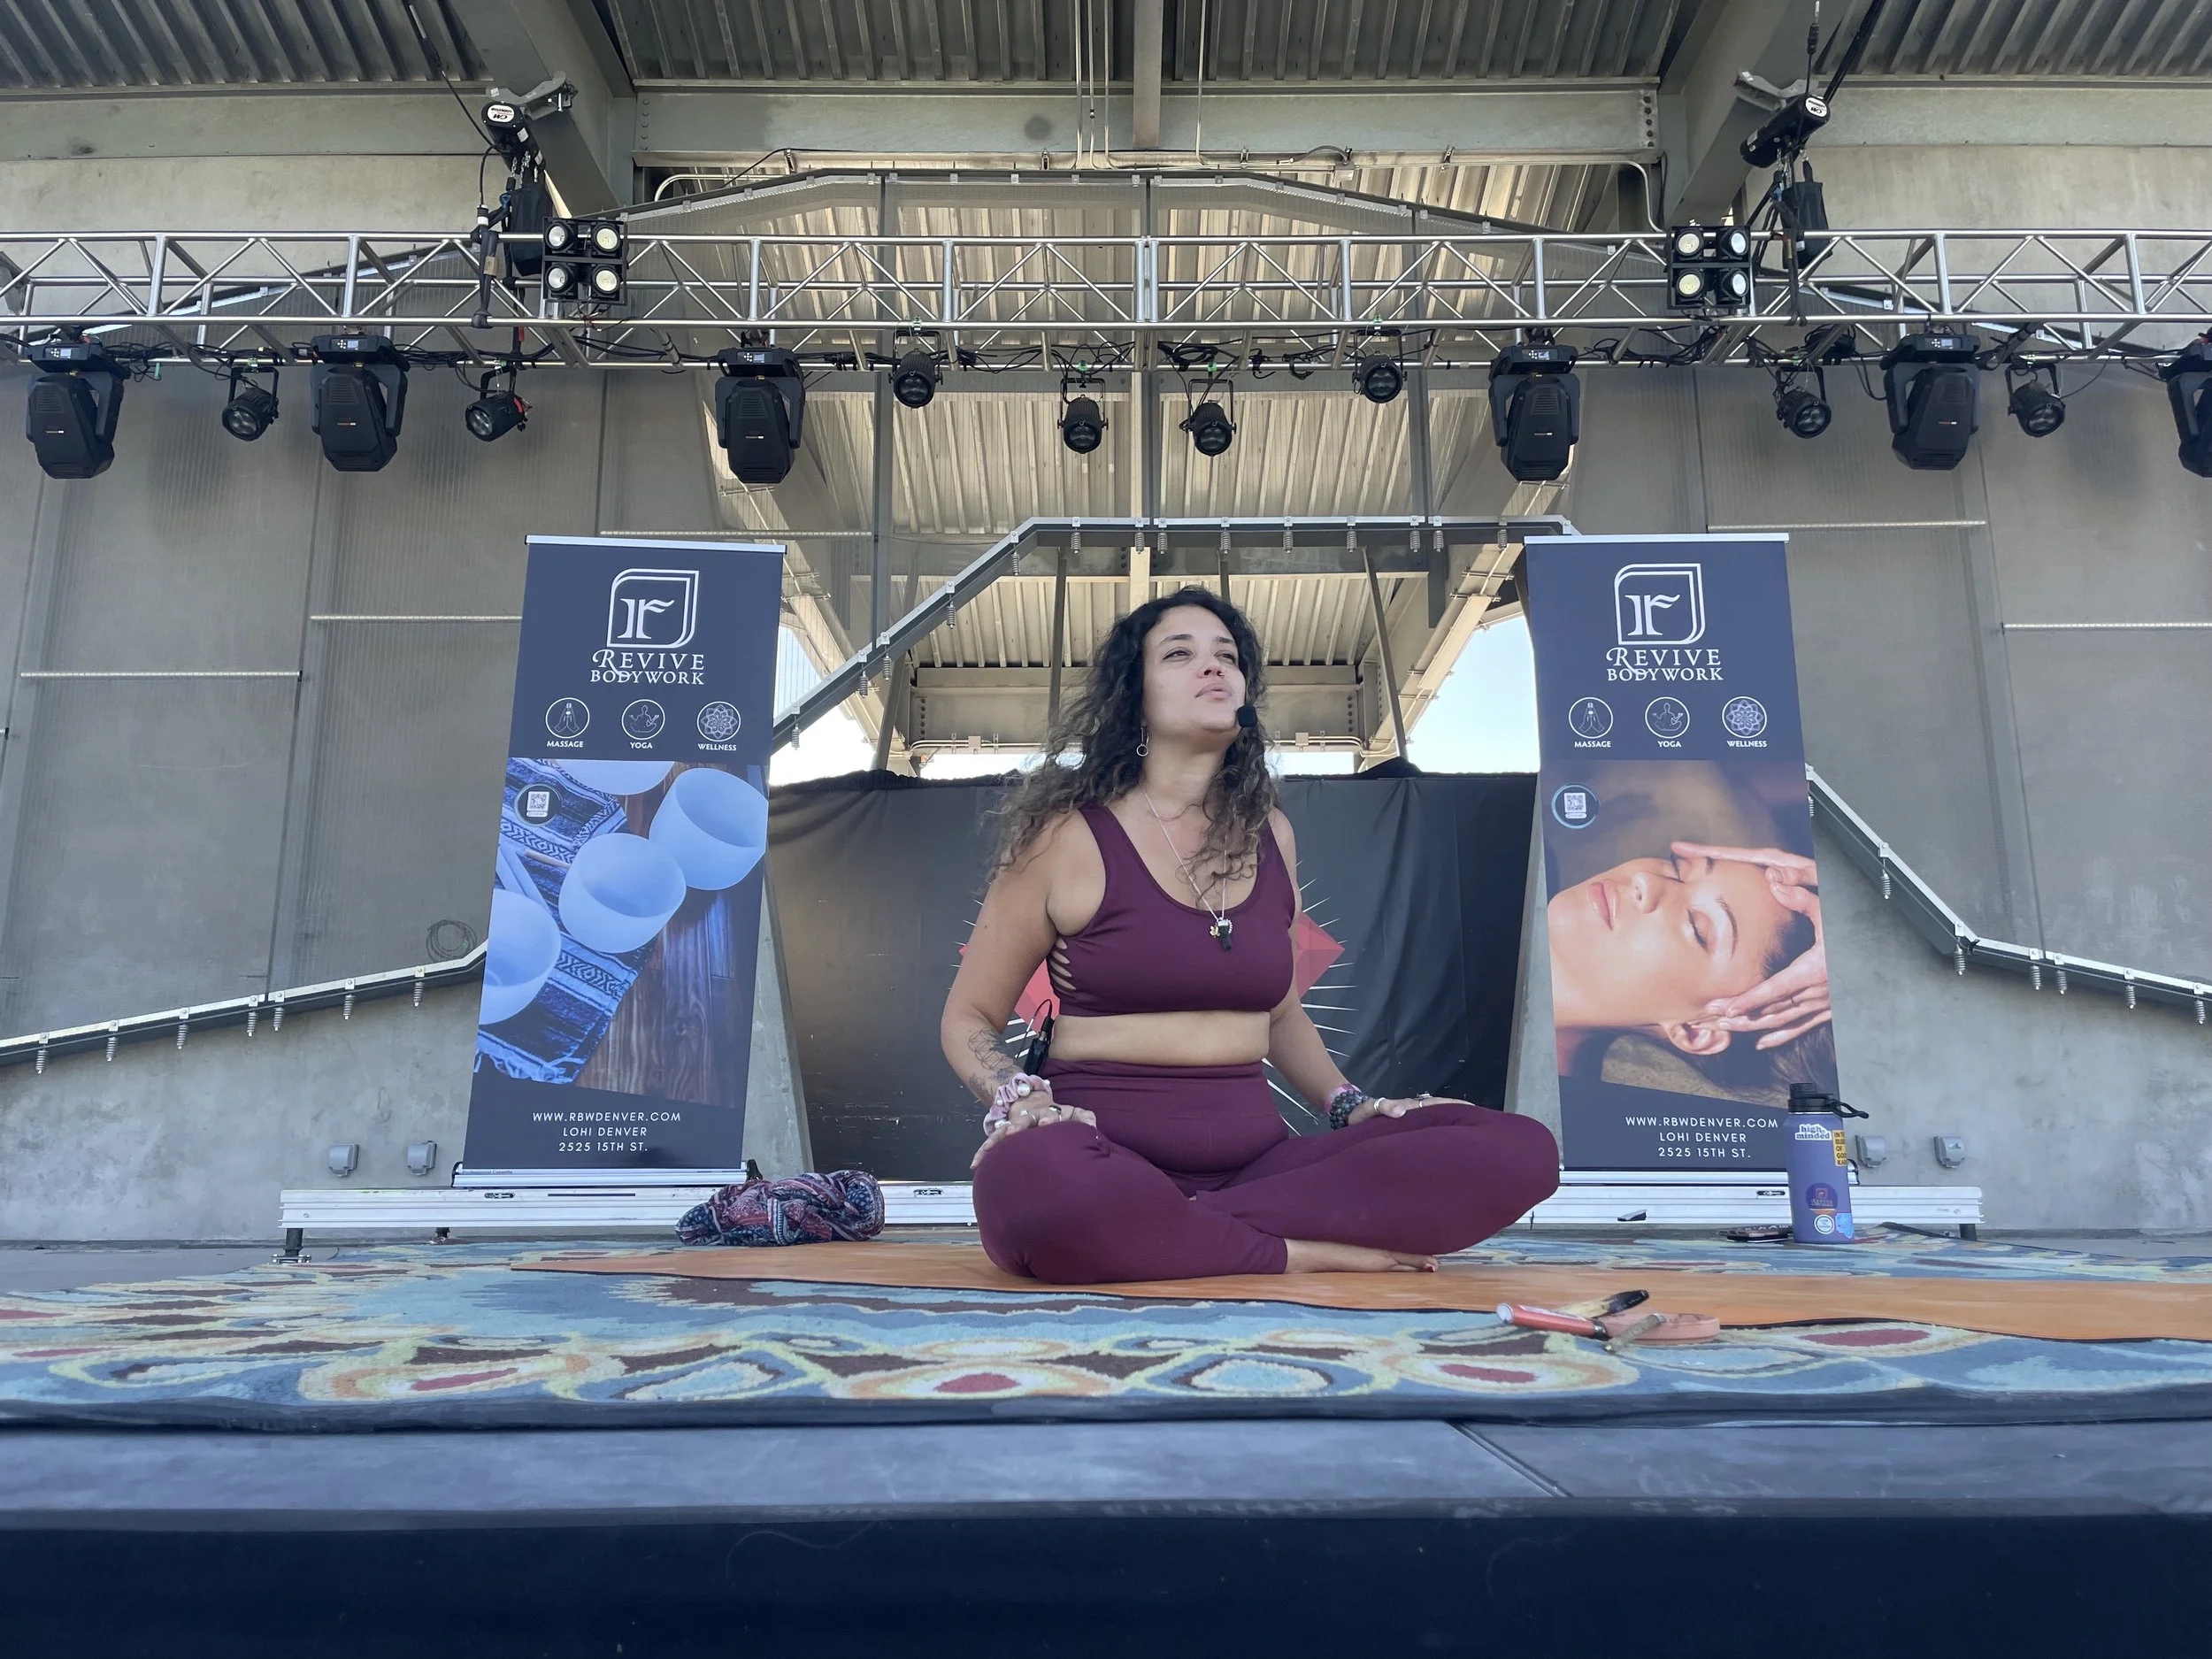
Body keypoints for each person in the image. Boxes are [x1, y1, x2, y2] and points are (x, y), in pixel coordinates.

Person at [940, 587, 1560, 1286]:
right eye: (1180, 654)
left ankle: (1179, 1226)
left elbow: (1279, 1006)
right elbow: (969, 1017)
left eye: (1226, 656)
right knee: (1036, 1180)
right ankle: (1289, 1248)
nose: (1212, 668)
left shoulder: (1273, 835)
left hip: (1260, 1163)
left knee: (1519, 1150)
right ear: (1133, 695)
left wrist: (1351, 1106)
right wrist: (1017, 1097)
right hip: (1099, 1153)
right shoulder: (1065, 835)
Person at [1548, 845, 1834, 1097]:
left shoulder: (1542, 1126)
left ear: (1697, 1031)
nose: (1645, 881)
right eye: (1678, 869)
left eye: (1697, 928)